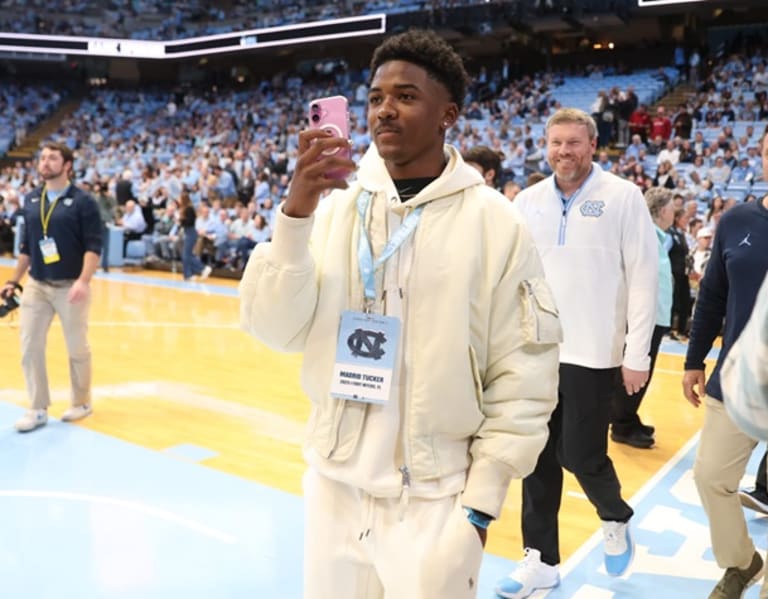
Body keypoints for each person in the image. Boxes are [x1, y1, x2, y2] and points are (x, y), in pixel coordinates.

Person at [239, 29, 560, 599]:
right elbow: (275, 330)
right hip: (333, 484)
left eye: (407, 96)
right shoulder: (333, 211)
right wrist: (294, 216)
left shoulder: (496, 222)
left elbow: (525, 373)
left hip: (434, 499)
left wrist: (480, 509)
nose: (385, 109)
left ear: (448, 114)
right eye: (376, 97)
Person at [497, 108, 658, 599]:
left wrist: (637, 354)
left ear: (592, 145)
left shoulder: (624, 198)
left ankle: (614, 515)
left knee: (582, 455)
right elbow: (512, 279)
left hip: (595, 351)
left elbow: (644, 277)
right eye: (555, 143)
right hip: (538, 349)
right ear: (545, 146)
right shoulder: (527, 201)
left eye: (573, 143)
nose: (563, 152)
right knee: (537, 456)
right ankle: (539, 560)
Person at [682, 129, 768, 599]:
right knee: (711, 477)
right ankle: (742, 562)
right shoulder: (737, 221)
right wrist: (694, 359)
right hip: (737, 378)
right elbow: (713, 293)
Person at [0, 141, 102, 433]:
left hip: (71, 285)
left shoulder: (83, 202)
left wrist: (83, 281)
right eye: (42, 158)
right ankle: (37, 407)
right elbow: (27, 247)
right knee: (29, 344)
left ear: (66, 165)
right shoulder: (32, 200)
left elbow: (94, 247)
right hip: (37, 284)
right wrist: (12, 281)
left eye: (52, 158)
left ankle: (81, 401)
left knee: (77, 347)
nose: (45, 162)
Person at [610, 187, 674, 449]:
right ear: (659, 210)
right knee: (635, 371)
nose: (674, 213)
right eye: (671, 208)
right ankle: (622, 424)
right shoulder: (645, 234)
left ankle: (627, 417)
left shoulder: (660, 237)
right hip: (646, 315)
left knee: (641, 371)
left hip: (657, 315)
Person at [178, 191, 211, 282]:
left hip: (191, 233)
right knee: (188, 255)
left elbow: (189, 222)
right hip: (188, 233)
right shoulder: (185, 209)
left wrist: (181, 220)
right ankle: (189, 274)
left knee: (186, 255)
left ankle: (202, 268)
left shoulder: (189, 209)